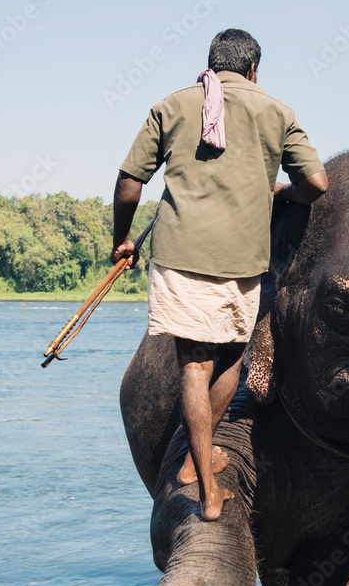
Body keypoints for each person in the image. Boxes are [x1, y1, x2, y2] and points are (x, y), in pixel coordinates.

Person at [112, 28, 327, 521]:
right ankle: (203, 470)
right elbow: (315, 184)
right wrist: (280, 193)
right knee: (232, 358)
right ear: (254, 70)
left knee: (194, 364)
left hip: (180, 255)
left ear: (212, 64)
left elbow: (130, 181)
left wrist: (121, 241)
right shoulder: (278, 111)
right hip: (244, 260)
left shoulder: (172, 104)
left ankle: (201, 479)